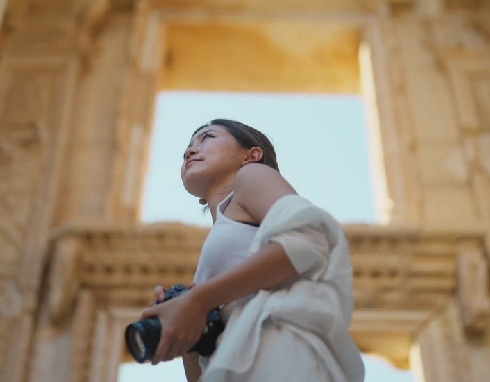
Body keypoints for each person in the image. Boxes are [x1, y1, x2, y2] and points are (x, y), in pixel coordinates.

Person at [139, 119, 365, 382]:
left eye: (207, 137)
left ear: (252, 155)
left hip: (283, 358)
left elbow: (311, 237)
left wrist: (198, 300)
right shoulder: (210, 263)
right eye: (187, 148)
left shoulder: (251, 175)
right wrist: (186, 330)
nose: (190, 151)